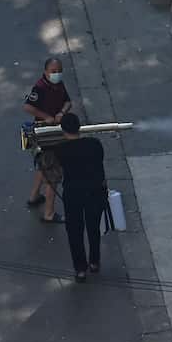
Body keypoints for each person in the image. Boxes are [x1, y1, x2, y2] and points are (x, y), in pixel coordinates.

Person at [53, 113, 107, 282]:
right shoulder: (95, 144)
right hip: (94, 191)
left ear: (63, 129)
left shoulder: (61, 150)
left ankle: (80, 269)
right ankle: (95, 262)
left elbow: (58, 173)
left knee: (75, 231)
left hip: (73, 193)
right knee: (93, 228)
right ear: (79, 126)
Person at [23, 57, 73, 223]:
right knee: (52, 175)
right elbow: (28, 106)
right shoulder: (40, 87)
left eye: (59, 71)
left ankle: (34, 196)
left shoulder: (58, 84)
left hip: (55, 131)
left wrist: (61, 113)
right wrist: (47, 116)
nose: (57, 74)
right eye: (53, 71)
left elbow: (67, 102)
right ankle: (49, 214)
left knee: (43, 165)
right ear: (45, 72)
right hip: (46, 135)